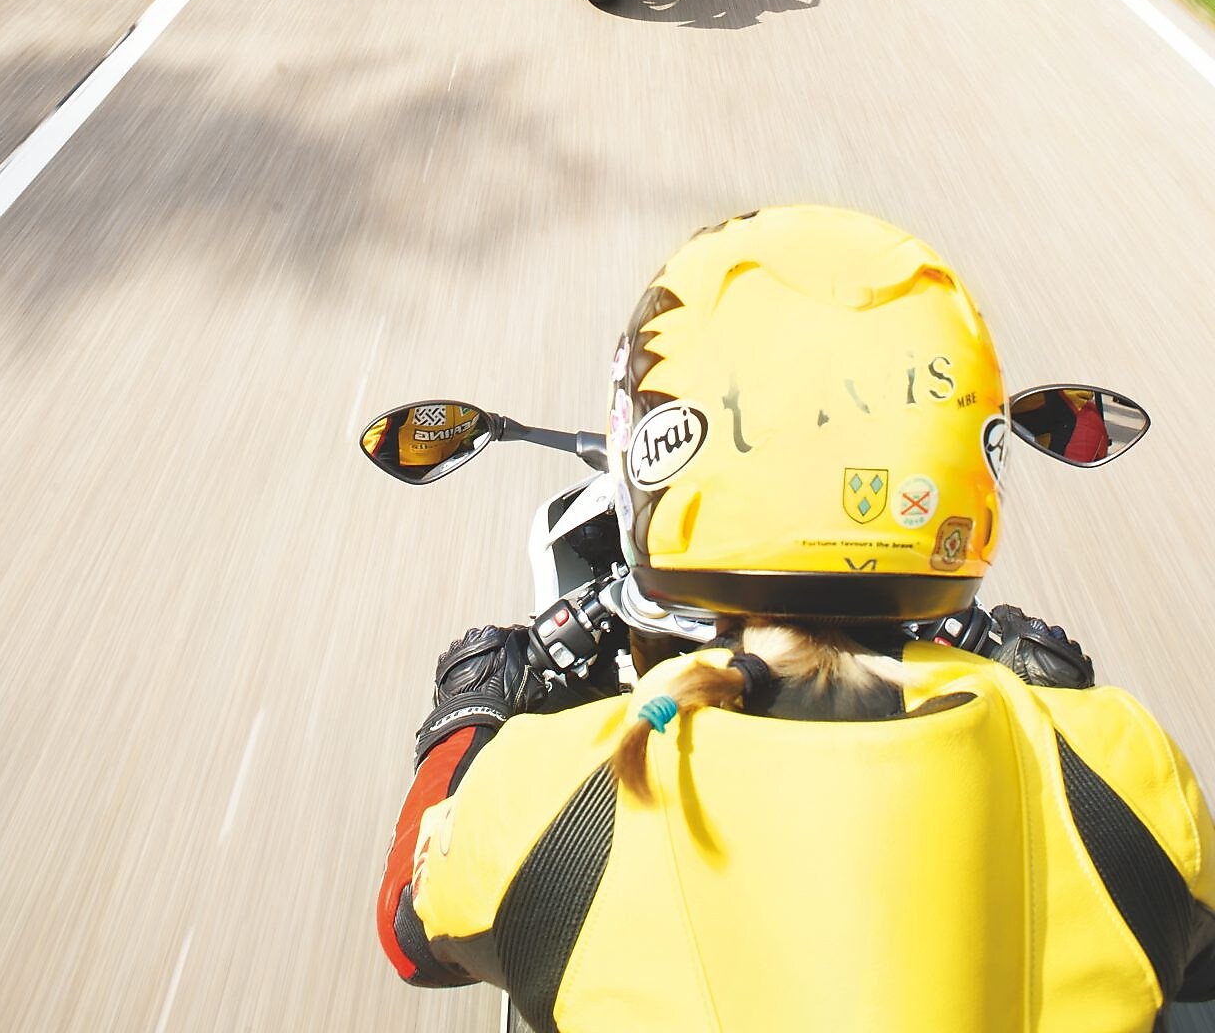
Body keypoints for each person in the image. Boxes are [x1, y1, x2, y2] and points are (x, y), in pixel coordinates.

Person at [377, 207, 1215, 1030]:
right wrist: (1068, 698)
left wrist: (466, 714)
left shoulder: (548, 793)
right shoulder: (1122, 766)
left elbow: (410, 939)